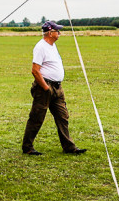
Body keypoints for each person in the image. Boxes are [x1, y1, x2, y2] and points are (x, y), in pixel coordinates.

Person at [22, 20, 86, 156]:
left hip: (57, 87)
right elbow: (35, 70)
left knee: (63, 117)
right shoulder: (41, 47)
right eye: (57, 31)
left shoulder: (52, 45)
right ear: (50, 33)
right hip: (44, 87)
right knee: (37, 118)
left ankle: (69, 147)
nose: (60, 33)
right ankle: (27, 147)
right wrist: (46, 88)